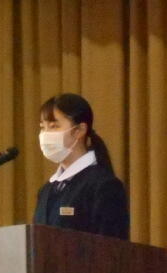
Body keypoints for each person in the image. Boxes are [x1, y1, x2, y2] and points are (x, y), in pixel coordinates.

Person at [33, 93, 130, 240]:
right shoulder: (46, 190)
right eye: (42, 127)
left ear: (79, 130)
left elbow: (112, 247)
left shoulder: (104, 185)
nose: (45, 134)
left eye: (54, 126)